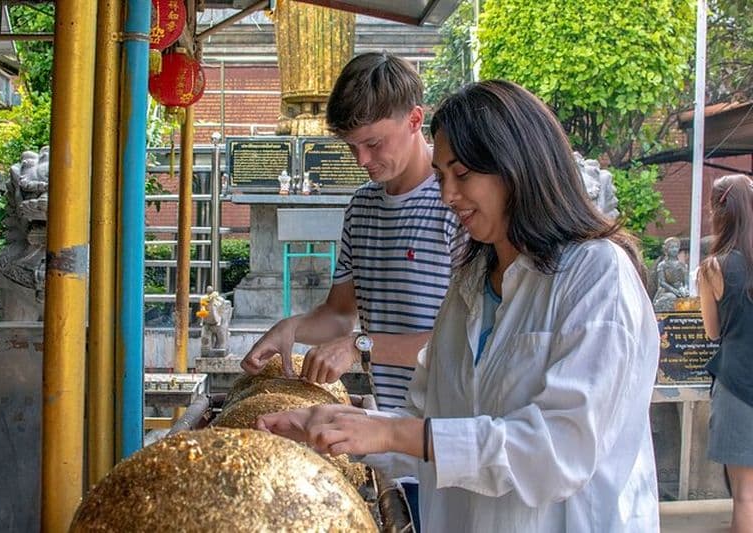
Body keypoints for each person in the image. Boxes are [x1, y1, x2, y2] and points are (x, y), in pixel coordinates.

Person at [257, 80, 661, 531]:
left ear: (517, 165)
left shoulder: (596, 275)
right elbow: (428, 429)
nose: (448, 196)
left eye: (462, 174)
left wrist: (390, 430)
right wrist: (337, 426)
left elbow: (556, 450)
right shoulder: (470, 284)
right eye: (442, 175)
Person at [242, 52, 465, 412]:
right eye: (351, 146)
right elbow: (340, 313)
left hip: (449, 426)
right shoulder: (362, 207)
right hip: (389, 421)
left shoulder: (457, 204)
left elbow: (468, 342)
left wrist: (361, 345)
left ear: (415, 119)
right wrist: (291, 329)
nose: (361, 160)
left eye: (374, 144)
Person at [698, 173, 753, 533]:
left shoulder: (713, 267)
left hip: (736, 382)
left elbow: (713, 331)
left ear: (720, 212)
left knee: (745, 495)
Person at [653, 236, 690, 311]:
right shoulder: (662, 265)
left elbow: (686, 282)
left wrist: (684, 289)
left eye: (676, 247)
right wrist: (674, 290)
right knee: (671, 298)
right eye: (671, 247)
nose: (674, 249)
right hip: (667, 291)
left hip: (680, 291)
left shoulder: (683, 265)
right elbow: (662, 282)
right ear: (666, 250)